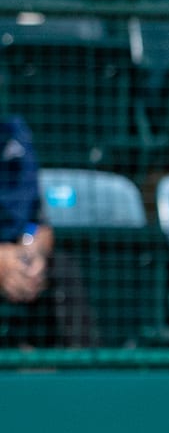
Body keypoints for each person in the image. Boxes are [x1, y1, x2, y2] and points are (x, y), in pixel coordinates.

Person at [0, 117, 95, 347]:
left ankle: (82, 372)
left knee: (63, 268)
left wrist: (33, 251)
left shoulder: (15, 133)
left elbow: (38, 221)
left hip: (17, 251)